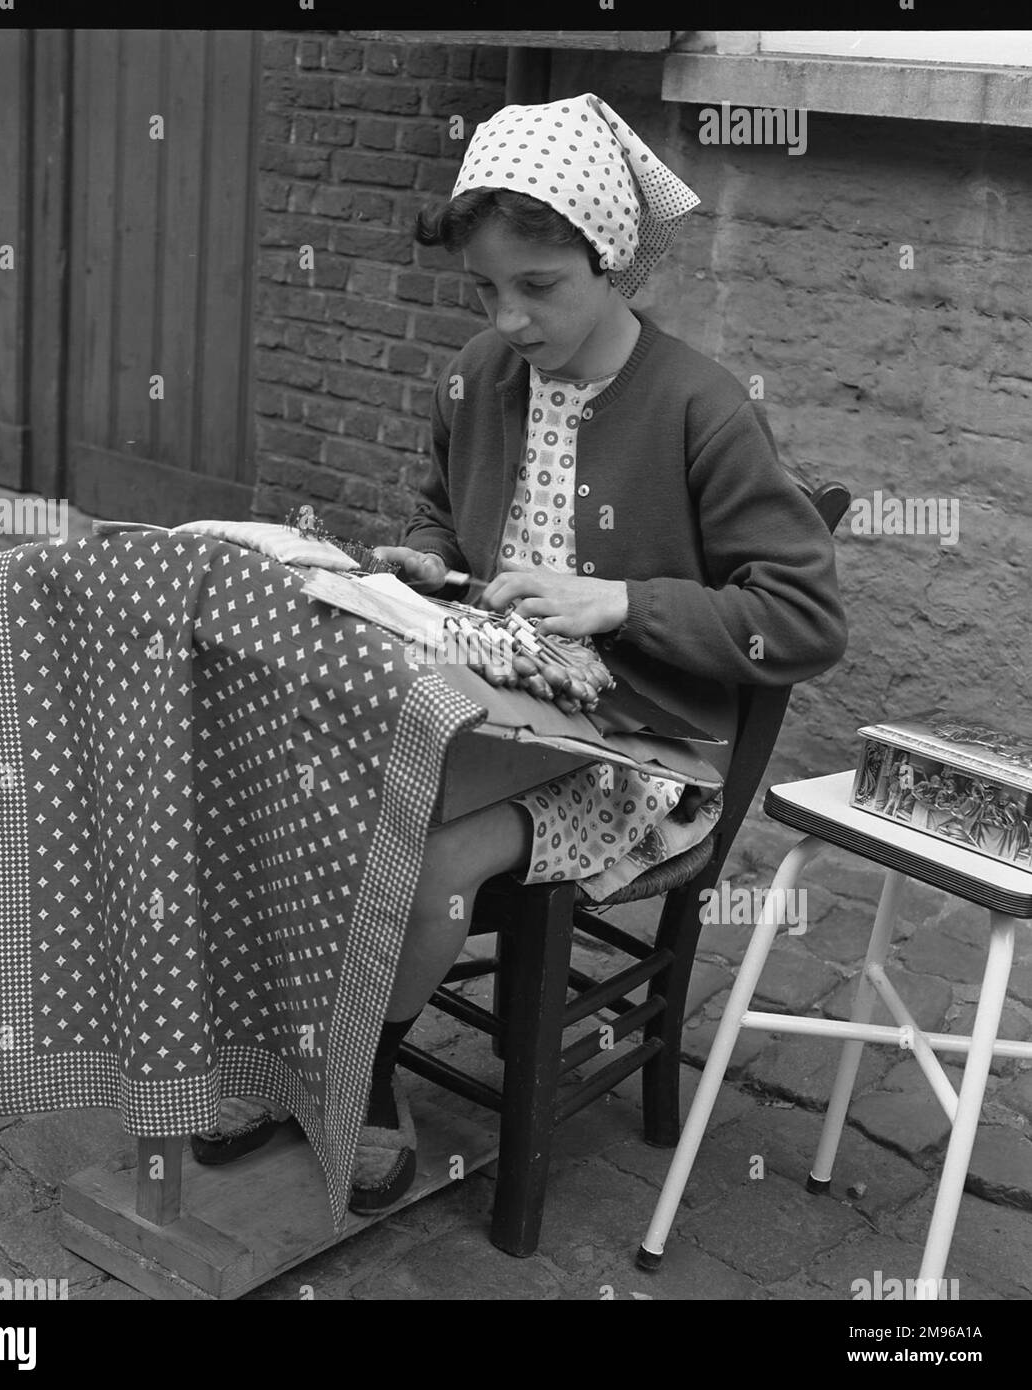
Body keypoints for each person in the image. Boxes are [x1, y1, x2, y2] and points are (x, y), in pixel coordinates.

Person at [224, 92, 849, 1213]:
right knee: (302, 780)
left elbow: (802, 619)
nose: (508, 318)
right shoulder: (480, 376)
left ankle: (355, 1074)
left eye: (539, 287)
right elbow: (434, 513)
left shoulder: (701, 410)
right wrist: (421, 563)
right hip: (488, 702)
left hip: (635, 753)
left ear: (612, 261)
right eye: (485, 290)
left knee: (422, 852)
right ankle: (300, 1039)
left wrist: (620, 601)